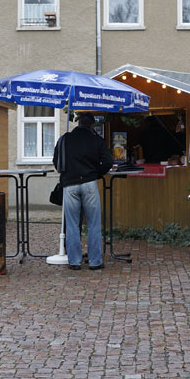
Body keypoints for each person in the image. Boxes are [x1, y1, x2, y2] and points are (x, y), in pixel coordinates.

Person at [55, 113, 113, 270]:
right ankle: (95, 262)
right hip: (89, 183)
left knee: (72, 224)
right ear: (92, 125)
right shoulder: (97, 140)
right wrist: (97, 173)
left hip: (70, 185)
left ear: (78, 123)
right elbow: (108, 161)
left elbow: (57, 162)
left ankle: (74, 262)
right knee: (94, 223)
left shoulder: (65, 139)